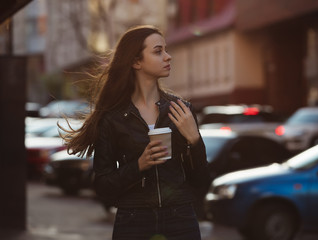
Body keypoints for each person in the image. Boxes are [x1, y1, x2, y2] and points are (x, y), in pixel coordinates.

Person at [60, 25, 210, 240]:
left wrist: (195, 141)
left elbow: (201, 181)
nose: (168, 57)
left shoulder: (182, 110)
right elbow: (102, 187)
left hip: (180, 218)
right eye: (158, 51)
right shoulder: (112, 118)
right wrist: (139, 165)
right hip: (133, 221)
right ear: (136, 61)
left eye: (166, 50)